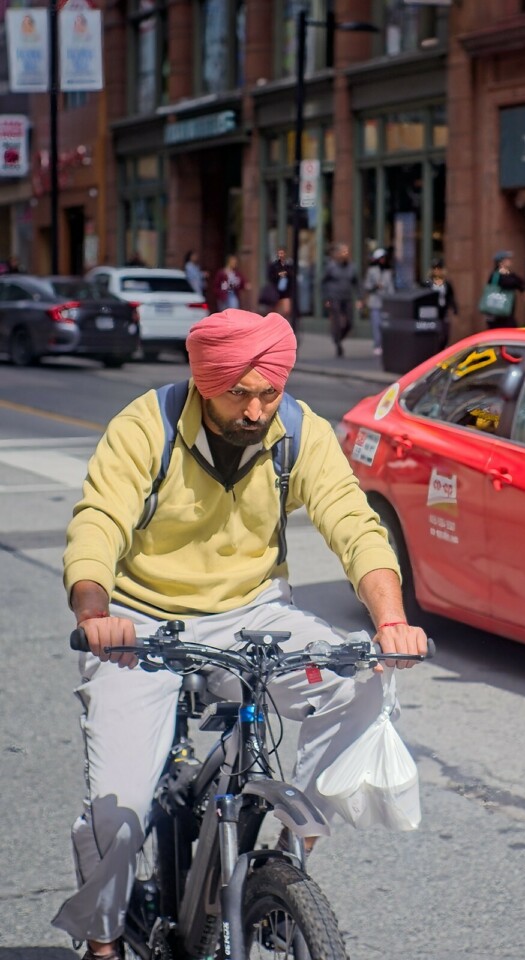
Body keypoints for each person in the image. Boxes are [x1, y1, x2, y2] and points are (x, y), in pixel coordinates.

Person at [52, 308, 428, 958]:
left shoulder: (297, 431)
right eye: (240, 394)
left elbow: (353, 522)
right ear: (205, 383)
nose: (257, 410)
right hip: (141, 626)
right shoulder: (149, 426)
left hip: (252, 615)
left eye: (269, 393)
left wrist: (391, 620)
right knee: (121, 814)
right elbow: (98, 523)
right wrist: (95, 613)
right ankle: (103, 938)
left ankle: (288, 854)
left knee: (364, 686)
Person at [322, 242, 361, 357]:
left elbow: (357, 283)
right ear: (337, 254)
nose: (345, 254)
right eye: (342, 252)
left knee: (349, 322)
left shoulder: (352, 267)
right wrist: (326, 298)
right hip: (334, 298)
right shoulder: (331, 267)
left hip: (347, 297)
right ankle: (338, 343)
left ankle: (338, 338)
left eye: (346, 252)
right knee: (338, 321)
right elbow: (323, 282)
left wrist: (360, 298)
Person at [480, 250, 525, 329]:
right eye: (507, 259)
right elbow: (511, 283)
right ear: (501, 262)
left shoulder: (509, 274)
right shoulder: (495, 276)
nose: (510, 261)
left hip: (506, 313)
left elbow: (520, 282)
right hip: (495, 314)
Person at [363, 247, 394, 357]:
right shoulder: (372, 271)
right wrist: (375, 286)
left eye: (384, 258)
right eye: (380, 258)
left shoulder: (388, 272)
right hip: (375, 302)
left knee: (384, 325)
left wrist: (391, 298)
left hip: (385, 302)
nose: (382, 260)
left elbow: (391, 288)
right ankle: (377, 345)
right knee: (376, 325)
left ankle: (385, 345)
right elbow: (367, 285)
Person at [423, 257, 457, 348]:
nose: (437, 271)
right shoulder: (428, 283)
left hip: (443, 310)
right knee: (435, 333)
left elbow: (450, 296)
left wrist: (454, 308)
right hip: (433, 312)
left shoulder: (446, 283)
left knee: (445, 333)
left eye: (439, 268)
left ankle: (442, 347)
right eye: (435, 269)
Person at [266, 247, 294, 320]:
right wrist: (278, 275)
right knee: (275, 310)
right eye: (279, 253)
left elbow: (292, 275)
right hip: (276, 290)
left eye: (282, 253)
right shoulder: (274, 265)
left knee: (286, 309)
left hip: (286, 291)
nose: (281, 255)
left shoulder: (289, 265)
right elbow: (270, 276)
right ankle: (276, 323)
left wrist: (286, 273)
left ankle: (282, 322)